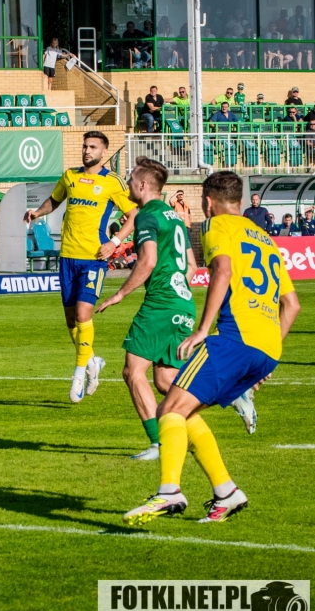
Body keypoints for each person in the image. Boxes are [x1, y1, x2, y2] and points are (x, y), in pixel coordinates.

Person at [123, 171, 300, 526]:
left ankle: (169, 491)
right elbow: (292, 305)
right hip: (267, 348)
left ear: (208, 202)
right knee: (183, 410)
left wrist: (203, 330)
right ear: (240, 200)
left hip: (234, 338)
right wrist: (265, 354)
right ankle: (226, 492)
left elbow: (222, 271)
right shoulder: (266, 238)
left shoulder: (217, 225)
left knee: (169, 409)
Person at [24, 131, 138, 403]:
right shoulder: (70, 176)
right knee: (70, 320)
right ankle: (92, 361)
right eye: (85, 146)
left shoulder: (112, 181)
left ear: (103, 152)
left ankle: (78, 374)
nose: (87, 151)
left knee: (84, 314)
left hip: (94, 258)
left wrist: (114, 242)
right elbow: (55, 200)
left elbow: (134, 215)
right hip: (68, 257)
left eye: (93, 147)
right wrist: (37, 212)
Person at [97, 158, 198, 461]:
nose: (128, 184)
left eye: (130, 179)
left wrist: (120, 294)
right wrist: (176, 288)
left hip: (161, 303)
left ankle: (159, 444)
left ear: (142, 185)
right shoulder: (175, 217)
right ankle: (230, 395)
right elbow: (192, 267)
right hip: (183, 302)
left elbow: (148, 261)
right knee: (166, 382)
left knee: (133, 371)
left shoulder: (147, 215)